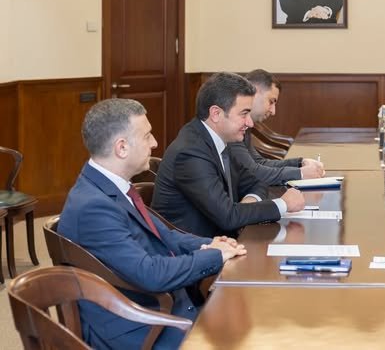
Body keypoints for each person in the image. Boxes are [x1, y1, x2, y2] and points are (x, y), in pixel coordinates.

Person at [58, 98, 247, 350]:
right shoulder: (93, 207)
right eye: (147, 136)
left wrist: (211, 244)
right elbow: (150, 274)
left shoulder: (110, 187)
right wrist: (214, 256)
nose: (155, 143)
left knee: (247, 319)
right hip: (143, 327)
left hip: (162, 307)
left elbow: (165, 236)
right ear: (122, 147)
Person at [152, 72, 305, 238]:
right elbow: (228, 217)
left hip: (223, 241)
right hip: (195, 248)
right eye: (244, 114)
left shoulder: (222, 139)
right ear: (216, 113)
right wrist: (283, 204)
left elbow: (256, 181)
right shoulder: (190, 153)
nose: (250, 123)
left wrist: (250, 201)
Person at [229, 69, 325, 185]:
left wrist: (301, 163)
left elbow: (259, 163)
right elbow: (253, 173)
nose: (273, 111)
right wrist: (300, 173)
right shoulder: (232, 123)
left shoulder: (246, 123)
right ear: (254, 91)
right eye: (271, 101)